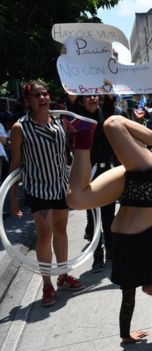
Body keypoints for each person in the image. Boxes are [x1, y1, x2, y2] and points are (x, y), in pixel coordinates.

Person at [64, 107, 152, 350]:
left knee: (76, 200)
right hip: (150, 178)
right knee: (113, 124)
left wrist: (126, 336)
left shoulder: (133, 268)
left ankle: (82, 135)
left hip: (130, 187)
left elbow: (127, 299)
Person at [9, 81, 84, 307]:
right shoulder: (20, 128)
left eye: (45, 93)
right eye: (36, 95)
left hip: (60, 185)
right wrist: (13, 198)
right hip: (38, 188)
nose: (43, 97)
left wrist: (76, 180)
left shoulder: (58, 121)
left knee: (61, 229)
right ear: (28, 101)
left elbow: (66, 155)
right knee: (44, 235)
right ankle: (47, 285)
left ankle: (62, 275)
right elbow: (15, 164)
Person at [66, 90, 116, 272]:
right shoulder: (80, 119)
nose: (92, 98)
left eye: (95, 95)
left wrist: (108, 87)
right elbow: (70, 104)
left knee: (109, 214)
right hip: (89, 172)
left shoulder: (105, 115)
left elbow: (111, 102)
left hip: (106, 171)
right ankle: (97, 255)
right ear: (81, 101)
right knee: (93, 216)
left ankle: (111, 250)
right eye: (87, 96)